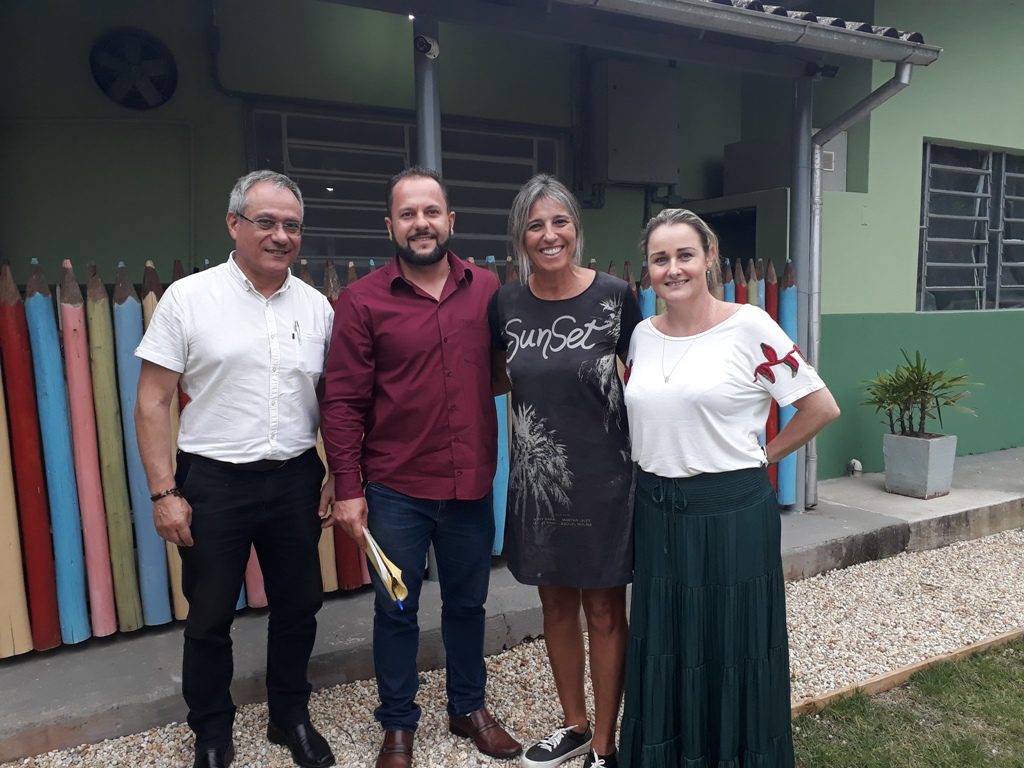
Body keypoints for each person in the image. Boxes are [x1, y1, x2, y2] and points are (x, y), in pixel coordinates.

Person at [619, 209, 841, 767]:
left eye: (684, 255)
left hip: (730, 514)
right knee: (666, 643)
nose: (673, 269)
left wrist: (763, 456)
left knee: (732, 643)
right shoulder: (643, 335)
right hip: (657, 512)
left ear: (710, 258)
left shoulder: (749, 327)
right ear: (647, 270)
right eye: (660, 259)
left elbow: (819, 407)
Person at [320, 166, 523, 768]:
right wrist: (349, 489)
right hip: (394, 490)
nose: (421, 223)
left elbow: (509, 366)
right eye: (407, 214)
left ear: (450, 220)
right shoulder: (362, 301)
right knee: (396, 609)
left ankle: (468, 708)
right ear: (390, 226)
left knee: (467, 603)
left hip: (469, 484)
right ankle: (399, 724)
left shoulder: (488, 289)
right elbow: (344, 401)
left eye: (431, 212)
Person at [135, 170, 336, 768]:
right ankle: (213, 730)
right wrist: (162, 491)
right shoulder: (190, 298)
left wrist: (335, 474)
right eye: (266, 222)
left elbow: (333, 399)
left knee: (299, 604)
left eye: (292, 225)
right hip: (214, 481)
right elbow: (152, 400)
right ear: (234, 224)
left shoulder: (317, 307)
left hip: (295, 476)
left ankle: (289, 715)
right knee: (210, 615)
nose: (280, 235)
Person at [489, 174, 642, 768]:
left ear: (577, 228)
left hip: (605, 478)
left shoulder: (612, 296)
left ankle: (605, 745)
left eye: (560, 222)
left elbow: (650, 375)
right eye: (535, 224)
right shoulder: (505, 302)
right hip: (538, 483)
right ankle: (574, 726)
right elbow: (496, 378)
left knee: (604, 609)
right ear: (519, 235)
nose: (549, 235)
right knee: (554, 605)